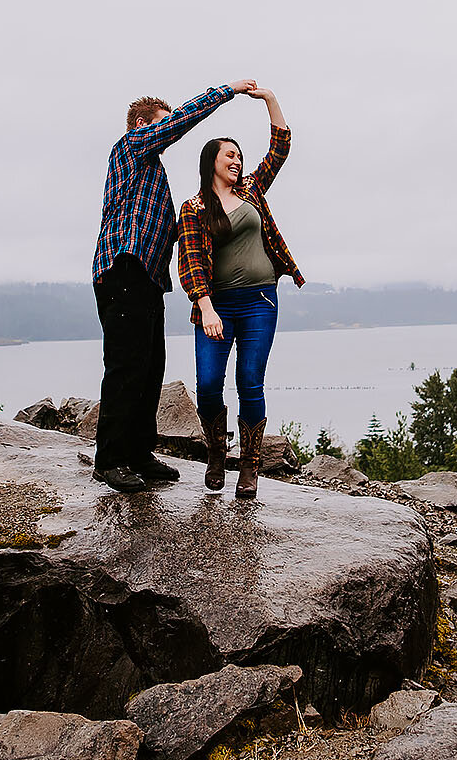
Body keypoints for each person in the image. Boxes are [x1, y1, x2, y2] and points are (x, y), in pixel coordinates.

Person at [92, 80, 257, 492]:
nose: (168, 133)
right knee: (126, 367)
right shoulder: (130, 147)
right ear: (144, 124)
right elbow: (181, 121)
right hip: (122, 269)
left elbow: (174, 230)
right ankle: (110, 459)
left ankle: (139, 454)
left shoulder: (153, 175)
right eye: (161, 126)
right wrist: (227, 91)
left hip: (148, 278)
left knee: (150, 369)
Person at [177, 87, 304, 499]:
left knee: (250, 381)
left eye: (239, 156)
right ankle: (217, 453)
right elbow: (192, 261)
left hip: (260, 302)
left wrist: (269, 97)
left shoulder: (251, 190)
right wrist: (206, 307)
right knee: (209, 384)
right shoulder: (194, 207)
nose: (237, 160)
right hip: (216, 308)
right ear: (210, 161)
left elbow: (280, 147)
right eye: (229, 155)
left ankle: (249, 466)